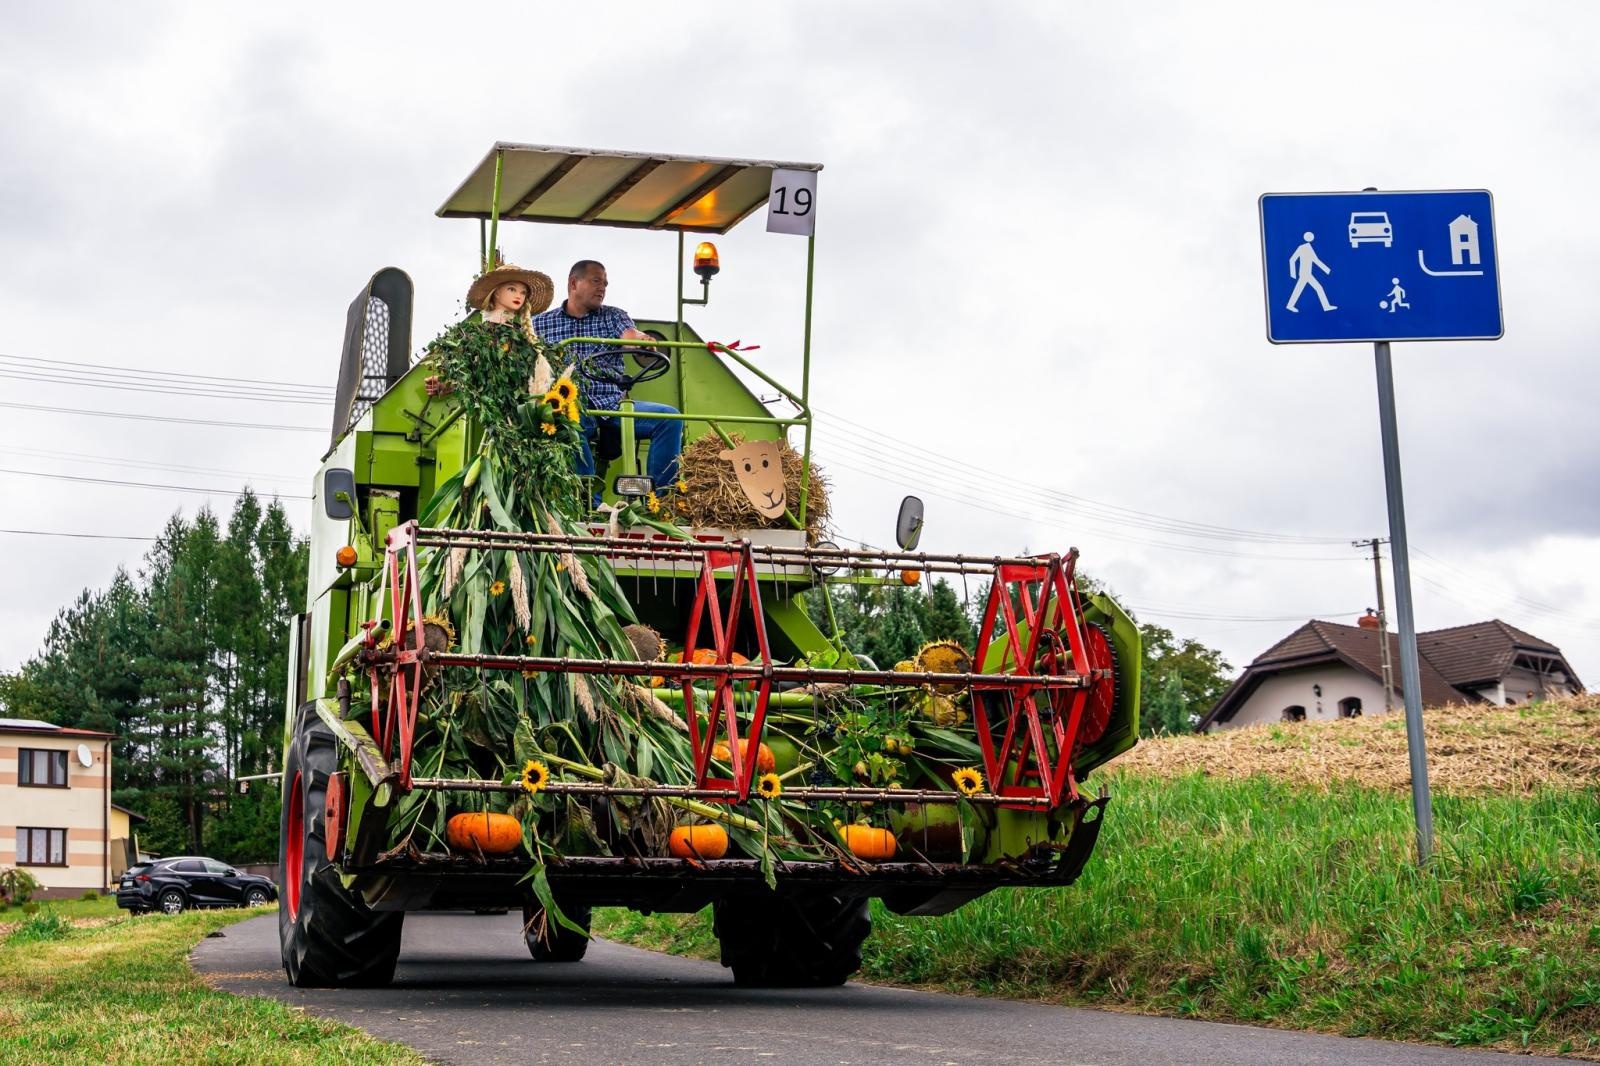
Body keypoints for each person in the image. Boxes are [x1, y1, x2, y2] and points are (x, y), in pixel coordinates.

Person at [532, 260, 683, 493]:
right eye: (596, 281)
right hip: (570, 407)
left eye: (605, 283)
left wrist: (642, 339)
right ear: (573, 283)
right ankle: (590, 501)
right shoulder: (540, 324)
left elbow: (630, 335)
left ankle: (660, 499)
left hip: (612, 405)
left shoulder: (613, 316)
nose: (602, 288)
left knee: (669, 418)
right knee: (571, 421)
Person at [425, 263, 555, 397]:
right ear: (497, 293)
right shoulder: (474, 335)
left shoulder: (526, 338)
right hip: (489, 406)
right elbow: (472, 376)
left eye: (523, 292)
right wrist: (447, 384)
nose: (518, 296)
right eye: (512, 289)